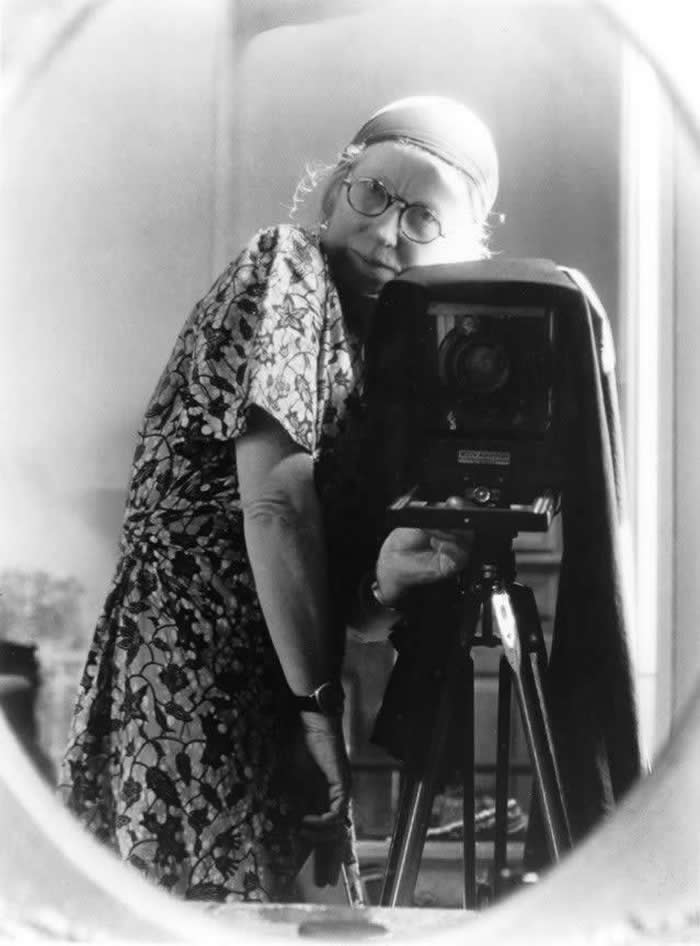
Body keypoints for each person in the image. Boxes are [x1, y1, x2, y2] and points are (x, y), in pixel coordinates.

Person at [58, 95, 500, 903]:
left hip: (272, 679)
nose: (383, 230)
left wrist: (384, 583)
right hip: (190, 665)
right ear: (336, 188)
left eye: (423, 219)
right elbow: (274, 508)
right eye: (372, 194)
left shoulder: (379, 360)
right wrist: (316, 711)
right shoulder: (286, 263)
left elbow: (350, 603)